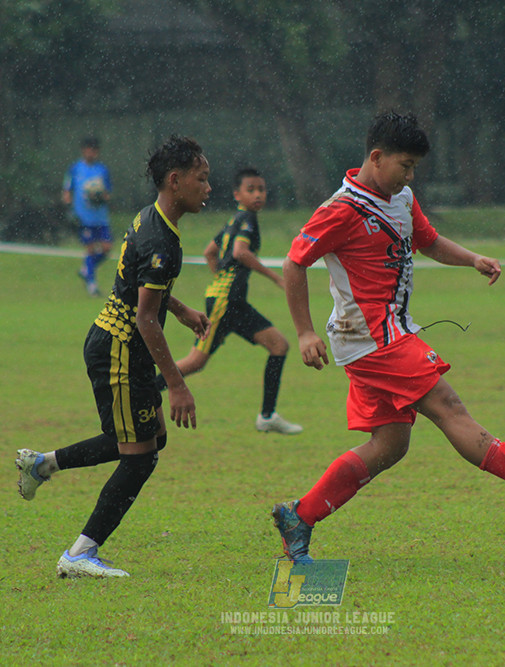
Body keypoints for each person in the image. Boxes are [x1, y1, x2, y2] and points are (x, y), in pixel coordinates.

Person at [271, 112, 505, 563]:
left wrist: (473, 259)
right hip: (372, 338)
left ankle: (299, 516)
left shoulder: (401, 197)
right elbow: (293, 262)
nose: (409, 176)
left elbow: (427, 241)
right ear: (376, 157)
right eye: (404, 165)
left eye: (414, 168)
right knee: (449, 407)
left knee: (390, 446)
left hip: (385, 334)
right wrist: (304, 331)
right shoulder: (341, 210)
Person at [16, 135, 212, 578]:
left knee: (149, 438)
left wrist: (179, 310)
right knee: (140, 454)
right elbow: (145, 318)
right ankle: (79, 554)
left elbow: (144, 288)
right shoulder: (162, 238)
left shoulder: (151, 218)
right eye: (201, 179)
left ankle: (41, 463)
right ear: (175, 181)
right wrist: (177, 385)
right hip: (121, 351)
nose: (208, 187)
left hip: (123, 348)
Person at [154, 167, 302, 435]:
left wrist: (222, 278)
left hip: (231, 301)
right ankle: (146, 392)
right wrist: (276, 278)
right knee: (195, 361)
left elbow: (210, 252)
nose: (258, 194)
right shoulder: (247, 219)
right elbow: (240, 252)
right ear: (237, 194)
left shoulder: (235, 219)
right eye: (251, 190)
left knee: (279, 345)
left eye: (261, 189)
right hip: (226, 302)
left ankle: (267, 416)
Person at [63, 135, 113, 297]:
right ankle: (92, 284)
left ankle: (86, 269)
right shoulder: (75, 169)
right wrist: (69, 207)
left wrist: (99, 196)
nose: (91, 153)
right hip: (84, 218)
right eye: (88, 150)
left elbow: (107, 194)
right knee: (90, 249)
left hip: (101, 217)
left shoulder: (102, 170)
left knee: (106, 248)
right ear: (83, 151)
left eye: (94, 150)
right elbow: (67, 192)